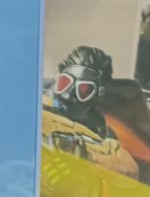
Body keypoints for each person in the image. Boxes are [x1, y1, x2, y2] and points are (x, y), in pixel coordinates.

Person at [43, 45, 139, 178]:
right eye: (64, 83)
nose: (67, 95)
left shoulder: (100, 130)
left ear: (98, 94)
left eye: (83, 90)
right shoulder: (39, 108)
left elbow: (131, 170)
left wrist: (86, 158)